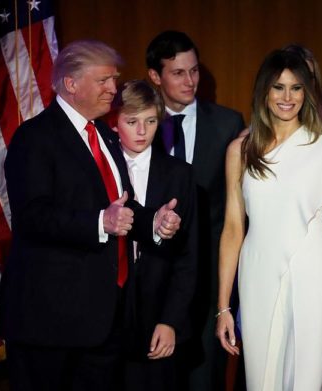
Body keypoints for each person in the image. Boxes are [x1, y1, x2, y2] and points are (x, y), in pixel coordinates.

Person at [0, 40, 181, 390]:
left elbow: (120, 209)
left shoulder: (106, 138)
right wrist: (100, 223)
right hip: (49, 324)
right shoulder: (35, 138)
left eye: (114, 80)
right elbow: (32, 217)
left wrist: (153, 223)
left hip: (104, 322)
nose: (114, 89)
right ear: (71, 84)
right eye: (104, 81)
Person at [216, 49, 322, 390]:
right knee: (263, 376)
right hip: (258, 271)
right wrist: (223, 306)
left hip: (314, 270)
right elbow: (233, 229)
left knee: (308, 376)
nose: (287, 97)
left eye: (296, 88)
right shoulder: (241, 150)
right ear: (264, 91)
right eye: (278, 87)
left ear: (307, 92)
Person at [146, 30, 245, 391]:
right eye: (178, 73)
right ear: (155, 76)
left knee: (205, 376)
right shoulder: (135, 125)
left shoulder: (228, 124)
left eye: (195, 71)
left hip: (210, 274)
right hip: (152, 273)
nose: (190, 81)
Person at [108, 79, 198, 391]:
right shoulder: (100, 168)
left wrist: (171, 320)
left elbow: (189, 258)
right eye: (132, 122)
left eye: (150, 121)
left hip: (158, 314)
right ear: (115, 122)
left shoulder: (179, 174)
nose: (142, 131)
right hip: (106, 319)